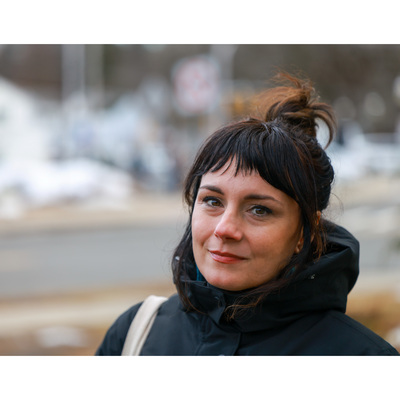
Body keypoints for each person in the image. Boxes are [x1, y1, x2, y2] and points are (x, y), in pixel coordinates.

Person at [96, 72, 399, 356]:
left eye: (259, 209)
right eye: (212, 201)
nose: (225, 229)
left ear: (305, 232)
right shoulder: (136, 334)